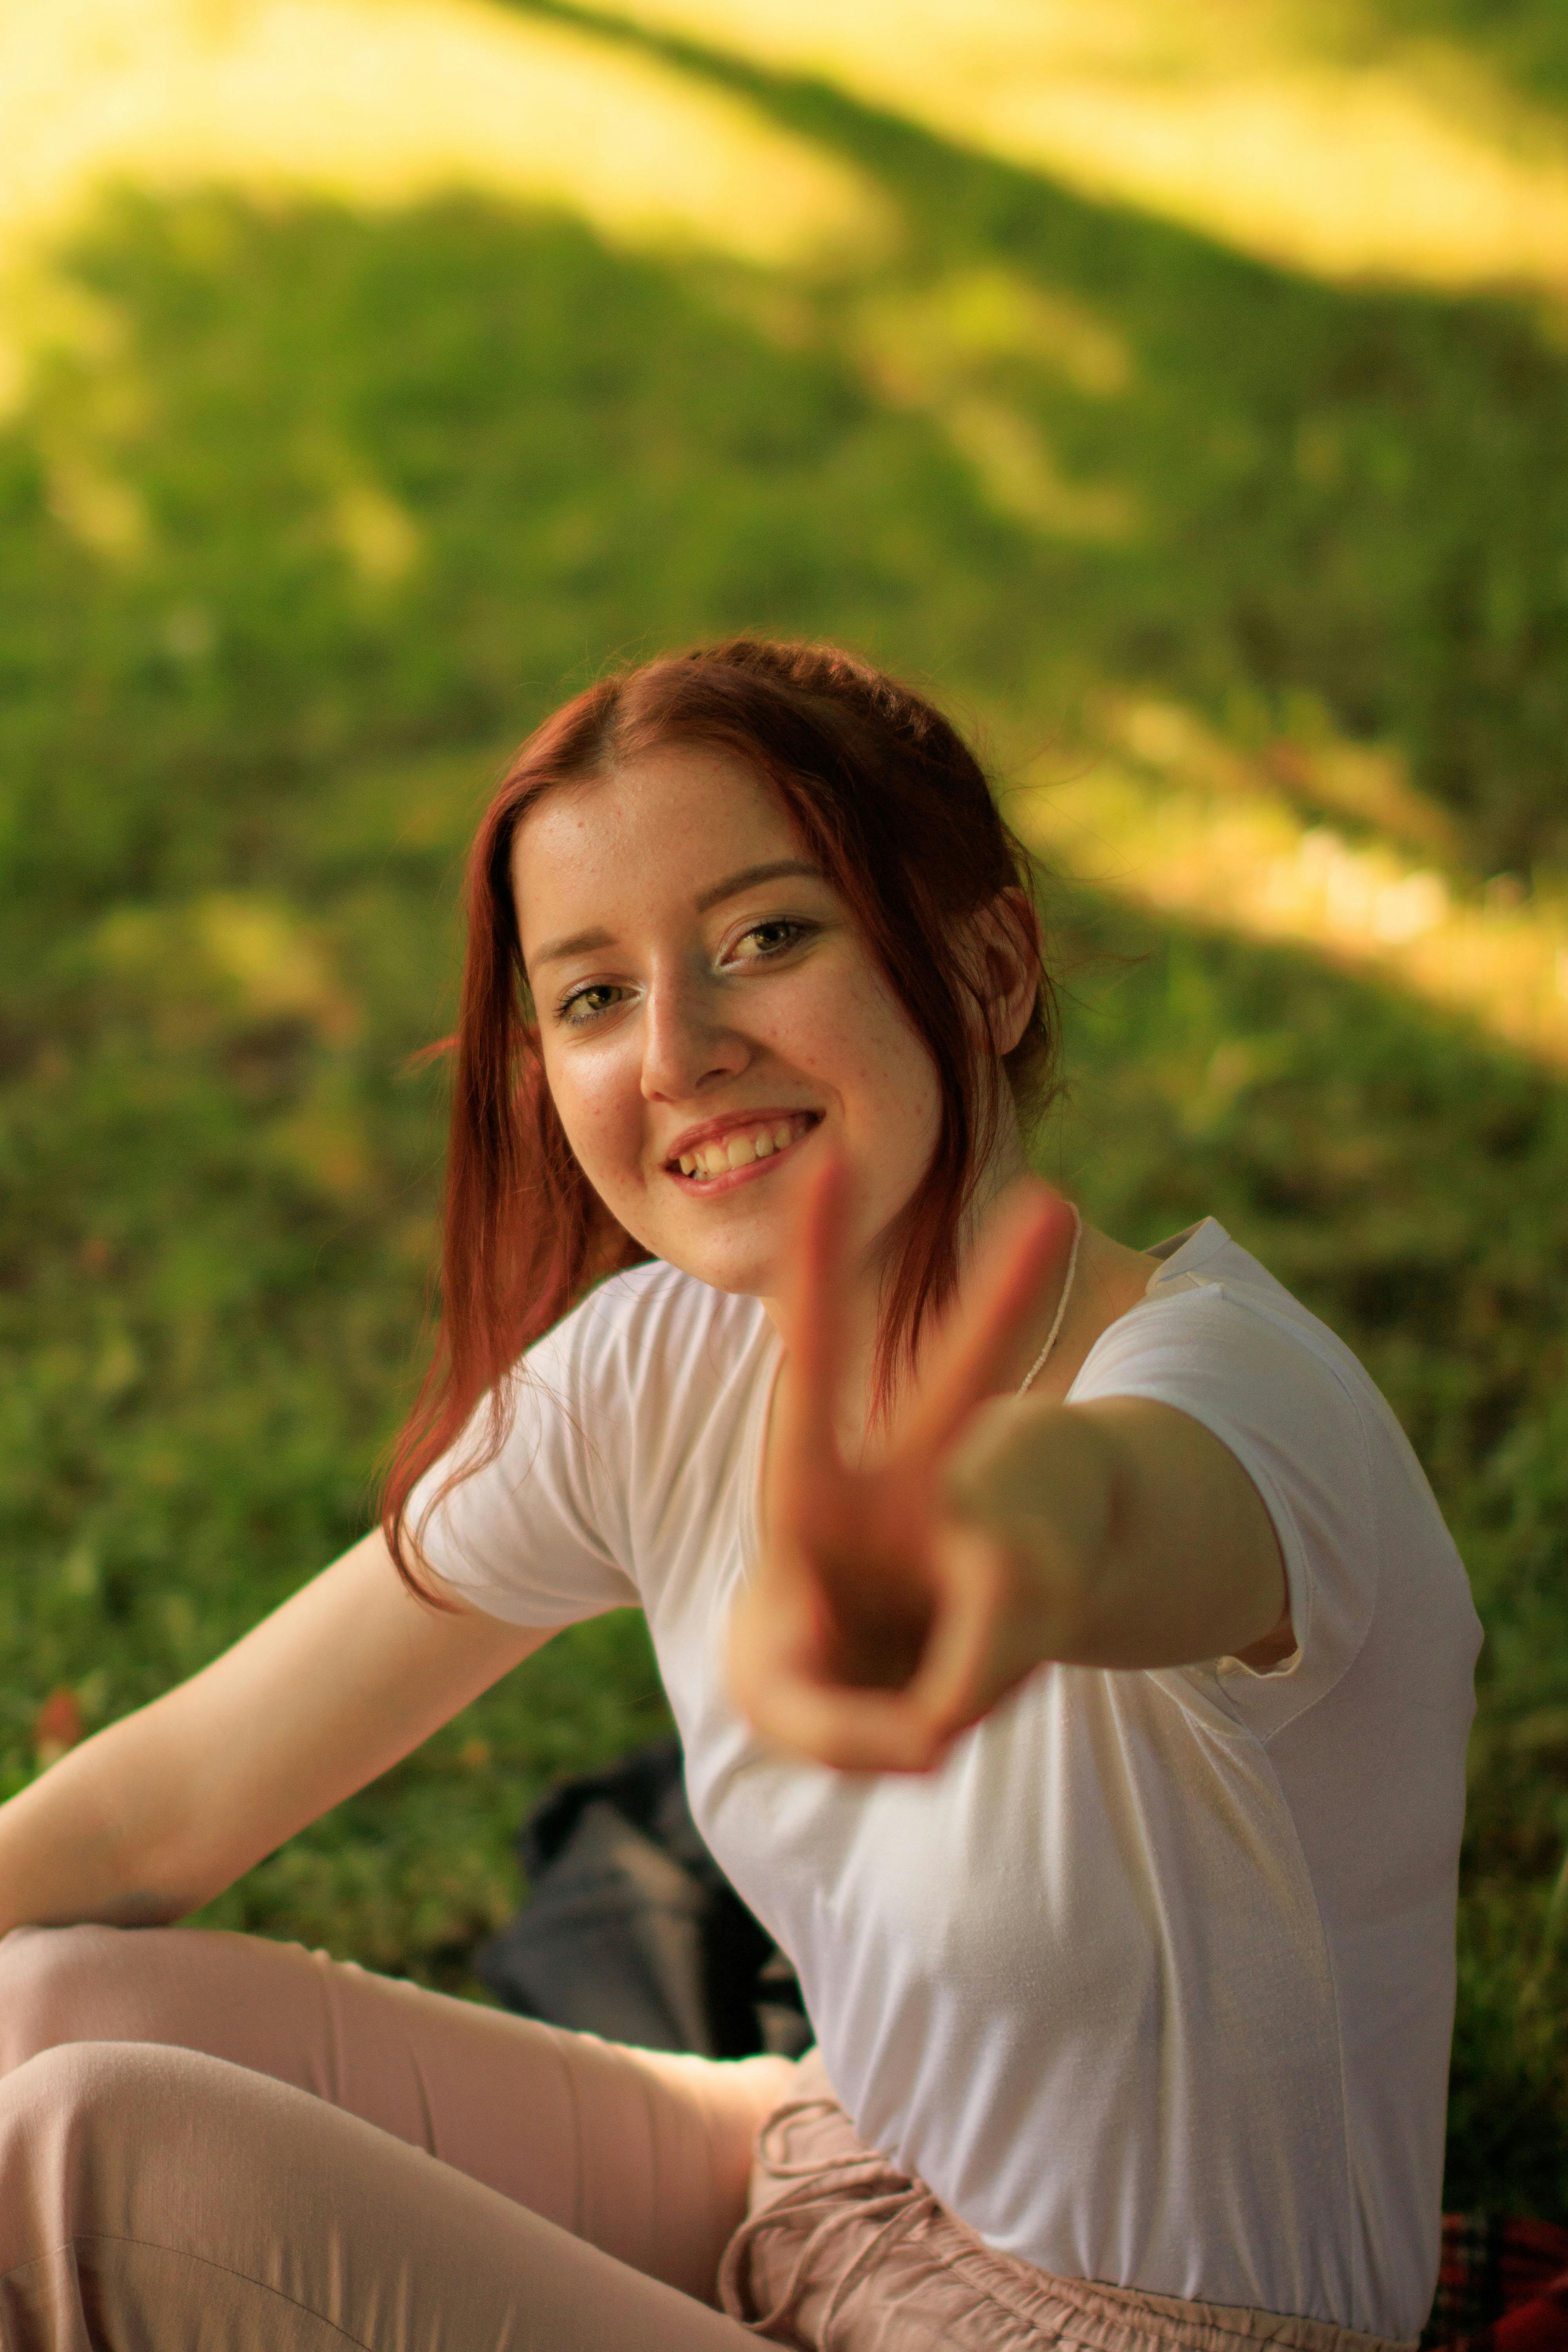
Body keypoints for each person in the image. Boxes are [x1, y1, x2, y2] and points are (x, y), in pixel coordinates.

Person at [0, 638, 1481, 2352]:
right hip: (847, 2175)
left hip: (1132, 2331)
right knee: (42, 2007)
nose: (679, 1054)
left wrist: (947, 1561)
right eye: (591, 997)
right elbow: (161, 1810)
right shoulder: (665, 1365)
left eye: (765, 938)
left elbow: (1104, 1514)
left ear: (988, 967)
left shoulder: (1236, 1395)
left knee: (71, 2151)